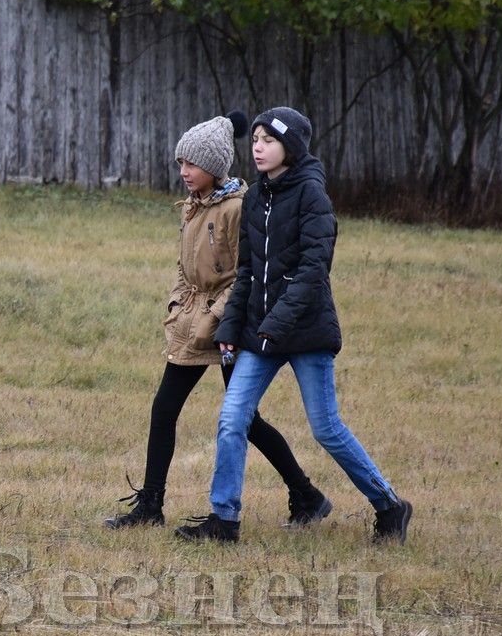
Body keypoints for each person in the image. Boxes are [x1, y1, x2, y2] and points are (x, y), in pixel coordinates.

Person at [177, 107, 413, 544]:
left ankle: (390, 506)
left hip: (304, 333)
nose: (259, 147)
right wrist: (230, 329)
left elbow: (312, 270)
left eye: (269, 140)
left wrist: (275, 323)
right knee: (232, 420)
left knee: (326, 428)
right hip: (259, 333)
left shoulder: (312, 195)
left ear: (292, 147)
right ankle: (223, 521)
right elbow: (246, 271)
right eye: (255, 140)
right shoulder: (254, 197)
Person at [104, 112, 330, 534]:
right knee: (164, 409)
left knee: (244, 419)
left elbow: (245, 272)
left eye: (192, 163)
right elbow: (184, 266)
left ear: (215, 165)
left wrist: (214, 319)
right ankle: (150, 505)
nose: (184, 172)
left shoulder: (235, 207)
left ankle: (306, 495)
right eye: (181, 163)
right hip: (193, 321)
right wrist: (178, 303)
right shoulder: (193, 206)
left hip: (228, 327)